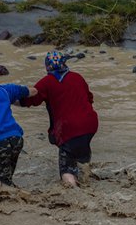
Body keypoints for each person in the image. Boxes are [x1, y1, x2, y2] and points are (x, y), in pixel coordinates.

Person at [20, 50, 98, 187]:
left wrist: (7, 98)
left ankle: (76, 194)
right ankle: (86, 178)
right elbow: (90, 98)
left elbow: (29, 100)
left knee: (66, 170)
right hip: (90, 125)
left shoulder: (46, 82)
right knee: (82, 157)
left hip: (68, 129)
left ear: (47, 66)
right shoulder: (77, 77)